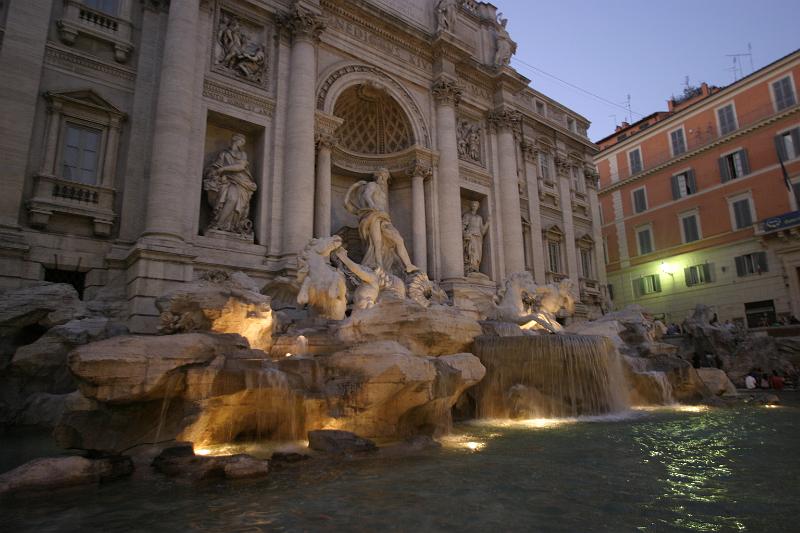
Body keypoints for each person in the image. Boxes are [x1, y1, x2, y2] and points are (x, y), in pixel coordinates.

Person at [344, 168, 418, 275]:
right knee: (377, 243)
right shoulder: (373, 185)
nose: (383, 179)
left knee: (398, 239)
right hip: (374, 216)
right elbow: (366, 195)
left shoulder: (382, 191)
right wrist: (373, 207)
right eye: (383, 176)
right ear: (378, 176)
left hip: (383, 219)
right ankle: (379, 266)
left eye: (385, 177)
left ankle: (408, 265)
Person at [203, 133, 257, 235]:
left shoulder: (243, 154)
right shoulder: (224, 154)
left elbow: (241, 167)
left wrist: (224, 169)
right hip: (226, 181)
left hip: (241, 181)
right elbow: (215, 167)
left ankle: (222, 224)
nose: (242, 144)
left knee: (233, 199)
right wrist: (217, 173)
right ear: (235, 140)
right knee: (229, 198)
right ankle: (219, 224)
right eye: (241, 141)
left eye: (243, 142)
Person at [462, 200, 490, 274]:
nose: (474, 206)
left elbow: (483, 231)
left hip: (479, 237)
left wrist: (487, 222)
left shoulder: (479, 218)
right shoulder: (467, 215)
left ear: (478, 207)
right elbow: (463, 226)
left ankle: (476, 267)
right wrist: (465, 233)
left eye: (476, 205)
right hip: (471, 236)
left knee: (478, 254)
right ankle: (470, 268)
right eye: (473, 205)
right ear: (471, 206)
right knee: (471, 251)